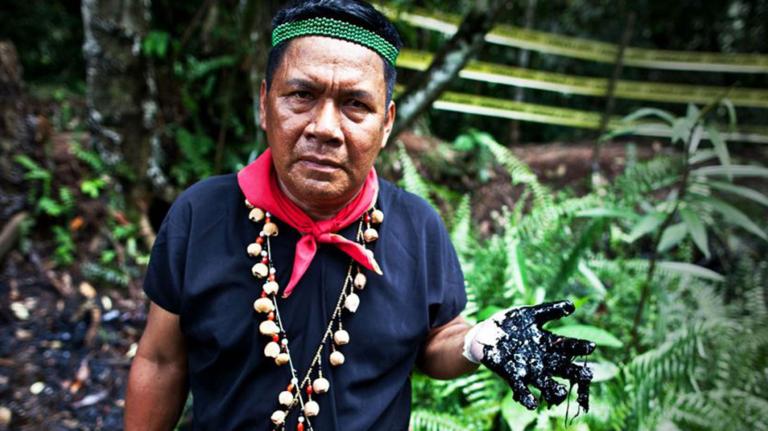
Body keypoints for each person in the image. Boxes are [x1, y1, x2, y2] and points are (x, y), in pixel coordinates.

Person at [124, 1, 594, 430]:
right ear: (265, 104)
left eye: (355, 105)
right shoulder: (200, 214)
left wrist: (476, 342)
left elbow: (436, 343)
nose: (324, 128)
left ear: (386, 123)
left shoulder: (416, 227)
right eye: (301, 95)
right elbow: (162, 360)